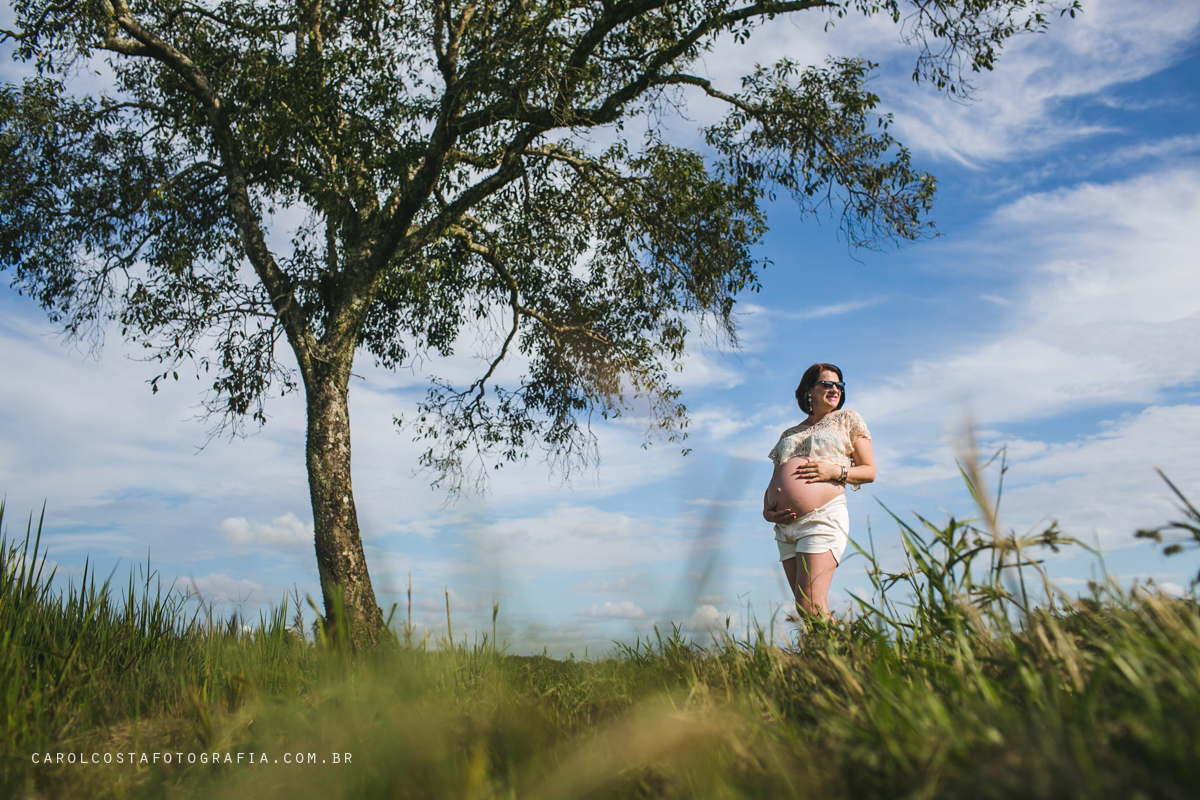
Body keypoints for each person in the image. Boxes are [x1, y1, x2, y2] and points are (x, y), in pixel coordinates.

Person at [764, 363, 875, 619]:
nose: (835, 389)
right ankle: (828, 657)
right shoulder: (789, 433)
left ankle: (846, 655)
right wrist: (766, 510)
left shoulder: (848, 419)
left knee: (811, 602)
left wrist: (835, 471)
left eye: (839, 385)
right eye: (827, 383)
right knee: (805, 608)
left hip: (822, 517)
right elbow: (775, 476)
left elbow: (869, 471)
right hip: (785, 526)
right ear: (808, 391)